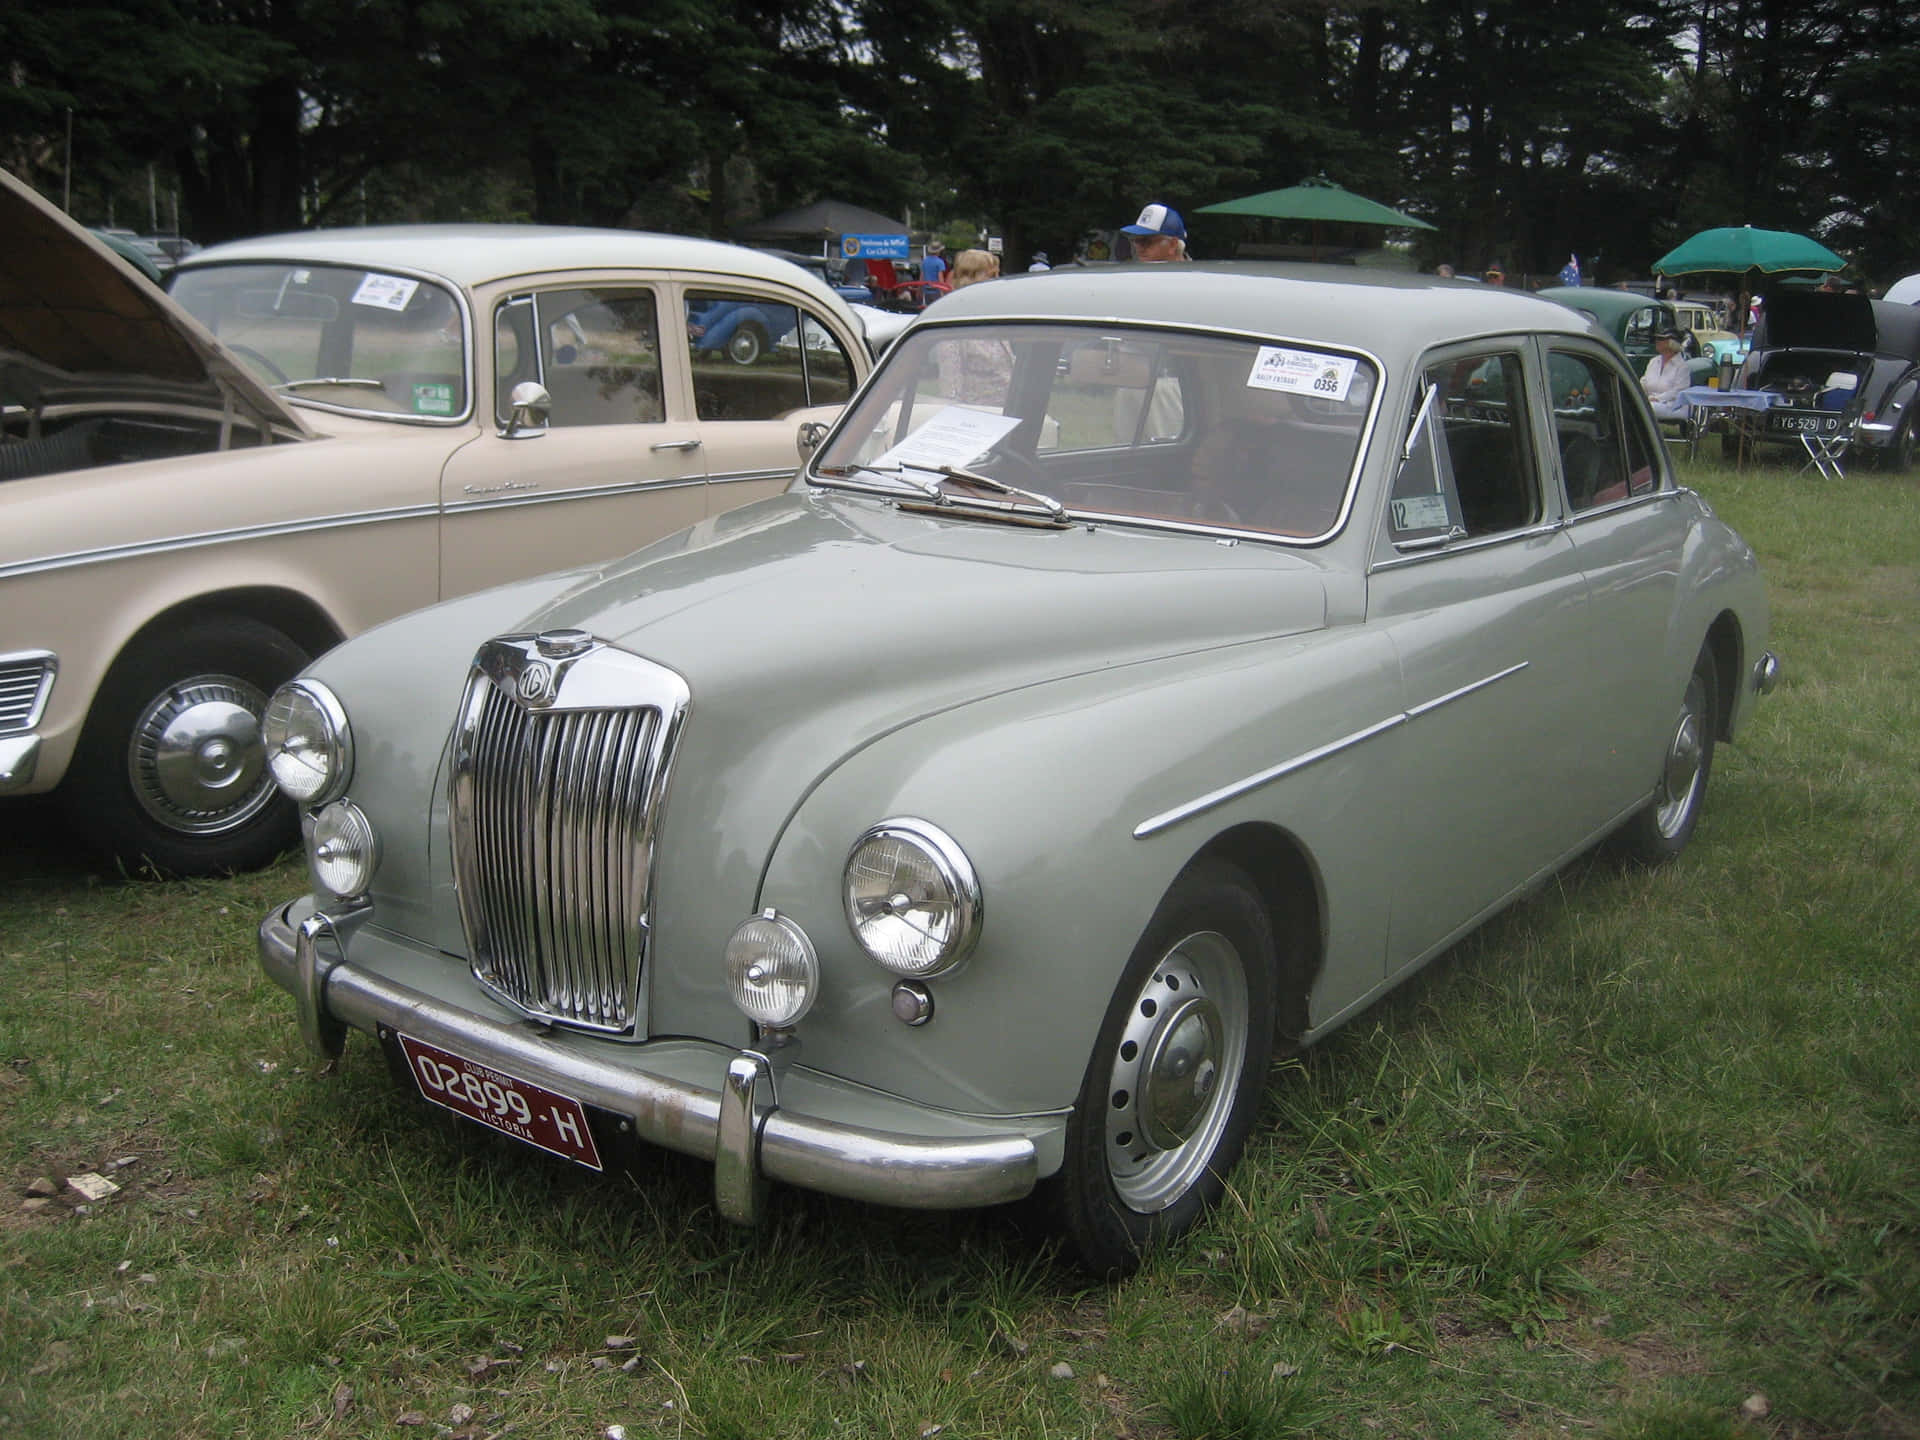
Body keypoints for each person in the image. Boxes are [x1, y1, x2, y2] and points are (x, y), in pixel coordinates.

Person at [1641, 327, 1691, 419]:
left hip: (1673, 406)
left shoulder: (1682, 366)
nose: (1657, 341)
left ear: (1673, 343)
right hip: (1650, 403)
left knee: (1645, 408)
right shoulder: (1653, 361)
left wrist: (1657, 399)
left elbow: (1678, 392)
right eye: (1657, 338)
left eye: (1661, 339)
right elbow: (1644, 382)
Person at [1122, 203, 1188, 262]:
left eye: (1145, 241)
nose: (1139, 248)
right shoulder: (1138, 273)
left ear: (1172, 245)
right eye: (1136, 240)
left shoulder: (1193, 274)